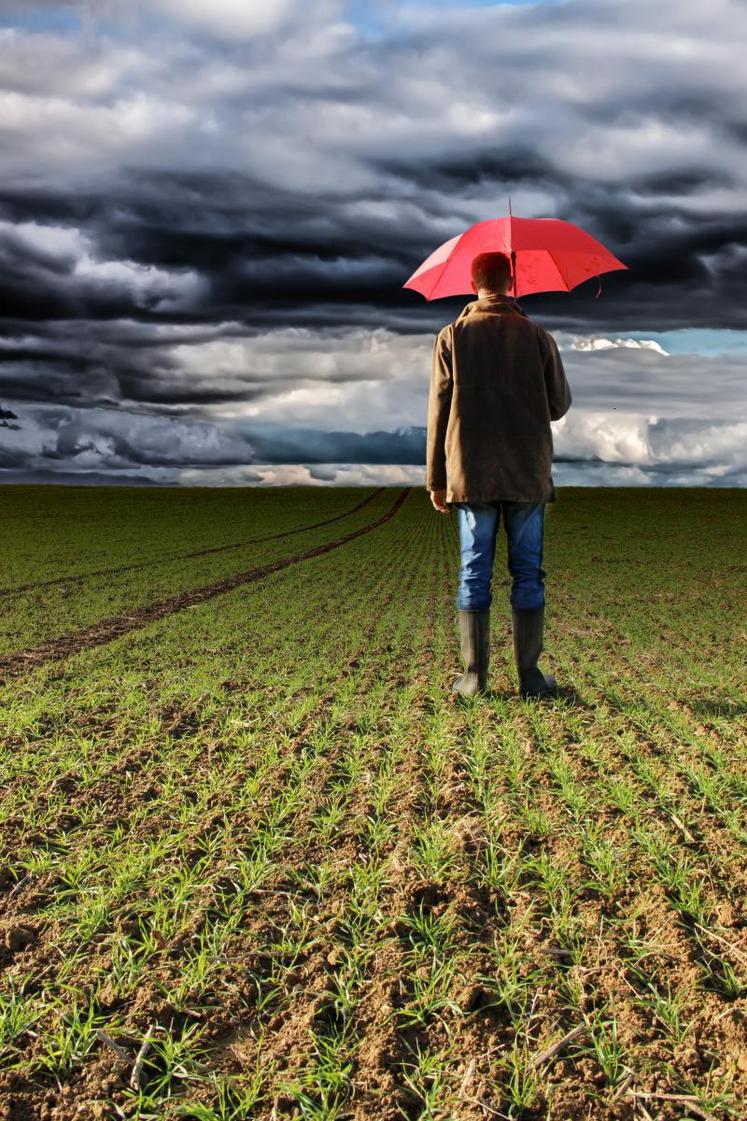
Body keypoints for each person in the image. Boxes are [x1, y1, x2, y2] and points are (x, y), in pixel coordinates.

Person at [425, 250, 573, 700]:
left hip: (470, 473)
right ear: (511, 281)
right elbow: (558, 404)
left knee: (474, 572)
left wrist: (437, 478)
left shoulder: (452, 336)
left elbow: (439, 409)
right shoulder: (537, 335)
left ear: (473, 283)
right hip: (526, 471)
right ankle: (530, 677)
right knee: (527, 572)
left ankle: (474, 678)